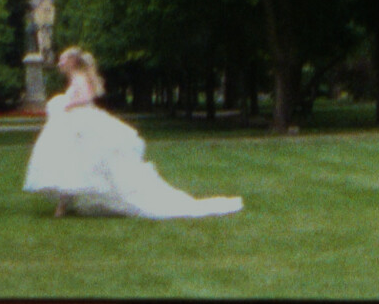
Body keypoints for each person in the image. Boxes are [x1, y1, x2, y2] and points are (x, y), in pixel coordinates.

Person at [22, 47, 244, 219]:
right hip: (76, 121)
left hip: (83, 120)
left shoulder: (79, 78)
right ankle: (64, 203)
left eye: (62, 59)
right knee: (75, 161)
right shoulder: (75, 78)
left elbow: (87, 98)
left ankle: (65, 204)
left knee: (87, 160)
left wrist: (68, 105)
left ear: (71, 62)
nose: (59, 63)